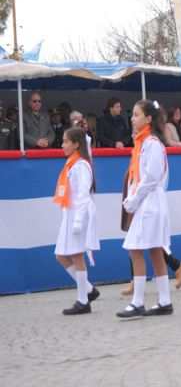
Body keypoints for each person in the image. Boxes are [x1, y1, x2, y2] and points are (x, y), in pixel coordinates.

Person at [117, 100, 173, 317]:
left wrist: (133, 198)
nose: (132, 118)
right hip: (146, 202)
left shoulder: (151, 144)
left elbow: (151, 177)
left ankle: (138, 301)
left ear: (148, 119)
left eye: (137, 114)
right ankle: (165, 300)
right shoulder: (142, 144)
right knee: (155, 251)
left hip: (150, 202)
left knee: (136, 249)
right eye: (132, 114)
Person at [53, 127, 100, 315]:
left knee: (77, 255)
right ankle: (88, 290)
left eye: (66, 141)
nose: (63, 145)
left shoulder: (81, 166)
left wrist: (79, 220)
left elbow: (83, 195)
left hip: (78, 213)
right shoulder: (71, 164)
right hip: (70, 212)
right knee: (61, 255)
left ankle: (83, 300)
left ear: (76, 144)